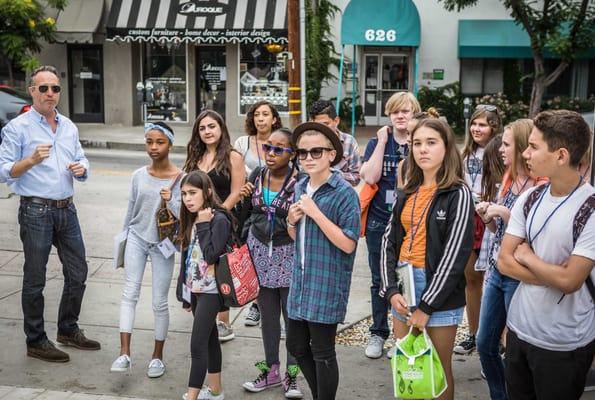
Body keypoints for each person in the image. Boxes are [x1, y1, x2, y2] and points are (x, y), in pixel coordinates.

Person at [0, 65, 100, 362]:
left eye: (55, 88)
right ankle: (36, 339)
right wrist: (30, 160)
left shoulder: (68, 126)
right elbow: (4, 171)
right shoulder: (18, 128)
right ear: (32, 91)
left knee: (78, 271)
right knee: (35, 278)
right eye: (43, 88)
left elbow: (80, 157)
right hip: (35, 211)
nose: (50, 94)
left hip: (66, 209)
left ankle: (67, 329)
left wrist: (82, 169)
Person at [498, 110, 595, 400]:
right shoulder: (530, 198)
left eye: (534, 146)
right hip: (519, 330)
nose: (525, 153)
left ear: (561, 155)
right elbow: (503, 261)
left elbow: (571, 282)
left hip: (564, 344)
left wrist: (527, 257)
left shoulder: (589, 208)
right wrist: (552, 274)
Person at [380, 118, 474, 400]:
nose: (422, 150)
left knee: (438, 371)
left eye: (431, 143)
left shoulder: (458, 193)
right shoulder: (408, 189)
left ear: (447, 148)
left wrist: (427, 305)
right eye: (416, 143)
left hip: (439, 292)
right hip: (404, 284)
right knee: (408, 366)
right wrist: (391, 290)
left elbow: (455, 256)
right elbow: (389, 241)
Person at [286, 122, 360, 400]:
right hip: (301, 279)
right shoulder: (301, 186)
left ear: (332, 154)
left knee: (323, 351)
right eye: (302, 153)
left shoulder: (344, 194)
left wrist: (315, 213)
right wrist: (290, 221)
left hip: (327, 282)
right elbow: (297, 236)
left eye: (316, 152)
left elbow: (349, 243)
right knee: (295, 344)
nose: (308, 158)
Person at [475, 120, 545, 400]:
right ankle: (499, 395)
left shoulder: (540, 185)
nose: (500, 149)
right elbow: (498, 231)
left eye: (506, 144)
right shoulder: (507, 177)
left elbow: (537, 236)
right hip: (495, 270)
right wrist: (488, 217)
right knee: (484, 343)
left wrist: (503, 213)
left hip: (519, 273)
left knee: (516, 350)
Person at [110, 122, 182, 377]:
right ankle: (124, 353)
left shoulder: (180, 178)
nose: (153, 147)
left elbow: (184, 217)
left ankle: (157, 357)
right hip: (137, 239)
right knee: (130, 293)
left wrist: (170, 200)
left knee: (159, 302)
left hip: (163, 245)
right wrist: (123, 242)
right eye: (149, 141)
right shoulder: (138, 175)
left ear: (170, 144)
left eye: (159, 142)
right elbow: (130, 212)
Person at [240, 127, 303, 399]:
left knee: (292, 319)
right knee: (267, 318)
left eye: (279, 149)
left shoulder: (300, 181)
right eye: (268, 147)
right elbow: (249, 212)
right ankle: (270, 370)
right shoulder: (257, 175)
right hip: (258, 252)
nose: (271, 153)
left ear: (292, 154)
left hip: (288, 253)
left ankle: (292, 377)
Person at [360, 92, 420, 359]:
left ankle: (405, 336)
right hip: (379, 220)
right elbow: (371, 176)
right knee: (378, 279)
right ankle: (378, 332)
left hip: (410, 221)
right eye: (395, 111)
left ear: (414, 113)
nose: (400, 116)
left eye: (406, 111)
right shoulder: (378, 142)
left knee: (407, 279)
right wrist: (383, 141)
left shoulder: (420, 143)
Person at [183, 110, 245, 342]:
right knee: (197, 269)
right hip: (195, 223)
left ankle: (223, 323)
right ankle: (201, 317)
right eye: (202, 128)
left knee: (218, 271)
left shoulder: (232, 156)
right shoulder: (194, 156)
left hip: (221, 222)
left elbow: (238, 191)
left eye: (212, 126)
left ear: (221, 129)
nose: (207, 131)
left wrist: (217, 215)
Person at [178, 171, 233, 400]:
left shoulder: (219, 219)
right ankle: (216, 391)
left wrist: (203, 225)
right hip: (196, 289)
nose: (187, 199)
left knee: (197, 345)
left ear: (207, 192)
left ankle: (192, 396)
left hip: (212, 291)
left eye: (193, 193)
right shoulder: (191, 218)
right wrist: (184, 292)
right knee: (210, 341)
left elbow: (211, 256)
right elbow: (187, 257)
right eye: (183, 194)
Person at [455, 104, 502, 355]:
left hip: (492, 218)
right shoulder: (464, 155)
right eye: (474, 123)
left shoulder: (500, 154)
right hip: (469, 219)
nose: (476, 128)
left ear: (494, 127)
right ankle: (474, 334)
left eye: (482, 124)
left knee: (494, 280)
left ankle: (496, 340)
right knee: (471, 279)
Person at [234, 101, 282, 328]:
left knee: (276, 259)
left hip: (275, 207)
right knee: (254, 258)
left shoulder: (281, 141)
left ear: (274, 118)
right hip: (250, 206)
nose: (260, 118)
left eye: (266, 114)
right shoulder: (243, 143)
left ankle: (277, 312)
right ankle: (257, 305)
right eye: (256, 115)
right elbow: (234, 170)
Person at [308, 99, 361, 186]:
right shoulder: (307, 142)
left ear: (336, 121)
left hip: (342, 196)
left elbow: (356, 178)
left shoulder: (349, 142)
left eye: (325, 124)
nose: (322, 129)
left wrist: (331, 175)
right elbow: (302, 174)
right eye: (317, 126)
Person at [396, 107, 441, 190]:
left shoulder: (443, 167)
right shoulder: (403, 165)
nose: (408, 139)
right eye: (408, 133)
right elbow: (399, 200)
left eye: (414, 133)